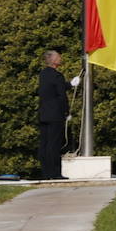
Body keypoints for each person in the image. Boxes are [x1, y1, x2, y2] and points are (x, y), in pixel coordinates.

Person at [37, 50, 69, 180]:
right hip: (55, 114)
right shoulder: (57, 75)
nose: (60, 58)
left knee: (45, 143)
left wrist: (69, 84)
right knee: (54, 144)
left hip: (44, 113)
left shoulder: (43, 74)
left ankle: (46, 172)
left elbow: (52, 87)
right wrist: (66, 111)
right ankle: (55, 173)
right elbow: (61, 95)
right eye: (58, 56)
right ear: (53, 60)